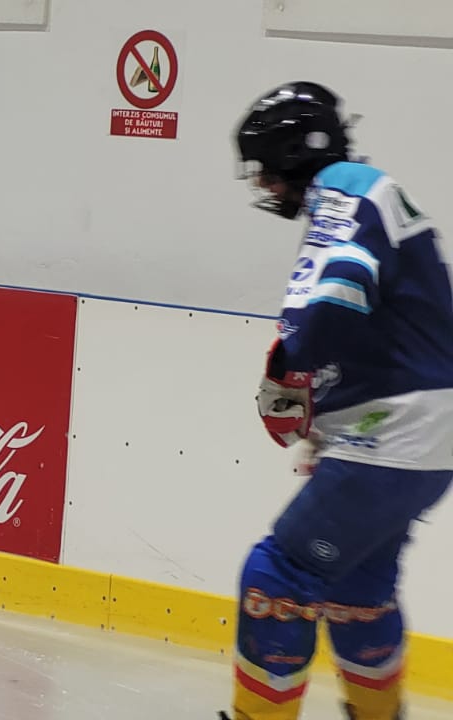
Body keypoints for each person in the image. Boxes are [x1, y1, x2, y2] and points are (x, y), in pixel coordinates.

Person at [226, 82, 453, 720]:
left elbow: (342, 289)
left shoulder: (344, 187)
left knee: (277, 577)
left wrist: (290, 366)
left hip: (395, 427)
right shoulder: (370, 193)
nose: (264, 184)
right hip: (425, 432)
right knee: (358, 590)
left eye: (266, 167)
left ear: (297, 154)